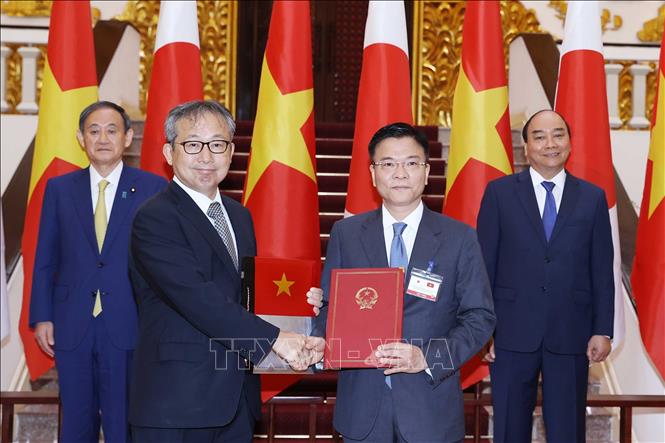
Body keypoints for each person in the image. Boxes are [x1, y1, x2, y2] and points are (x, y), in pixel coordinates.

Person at [128, 100, 323, 443]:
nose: (207, 157)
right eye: (193, 145)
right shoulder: (155, 218)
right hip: (177, 405)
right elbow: (196, 298)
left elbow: (245, 295)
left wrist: (300, 308)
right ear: (169, 153)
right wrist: (276, 338)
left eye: (218, 145)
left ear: (231, 152)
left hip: (236, 402)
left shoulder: (239, 216)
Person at [311, 122, 496, 442]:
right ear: (372, 174)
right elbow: (331, 308)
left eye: (411, 163)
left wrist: (427, 358)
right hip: (362, 410)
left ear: (426, 172)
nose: (400, 173)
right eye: (388, 164)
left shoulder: (459, 238)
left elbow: (480, 317)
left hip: (431, 408)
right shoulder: (347, 234)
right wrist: (316, 340)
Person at [30, 101, 168, 443]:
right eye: (93, 131)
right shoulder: (60, 189)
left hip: (128, 322)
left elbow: (160, 263)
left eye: (111, 130)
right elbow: (46, 256)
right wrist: (42, 316)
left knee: (124, 423)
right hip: (72, 322)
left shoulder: (153, 189)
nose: (102, 138)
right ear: (81, 138)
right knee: (76, 424)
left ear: (127, 138)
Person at [477, 109, 614, 443]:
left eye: (558, 134)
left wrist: (602, 329)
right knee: (510, 428)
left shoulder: (593, 198)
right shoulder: (500, 193)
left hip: (571, 333)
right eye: (539, 136)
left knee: (567, 430)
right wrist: (483, 329)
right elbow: (482, 265)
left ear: (569, 142)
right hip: (509, 333)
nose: (550, 143)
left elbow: (601, 268)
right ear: (526, 146)